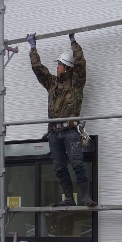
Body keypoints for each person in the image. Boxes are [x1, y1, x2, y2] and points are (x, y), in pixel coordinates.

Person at [27, 32, 97, 207]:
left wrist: (73, 42)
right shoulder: (52, 83)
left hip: (71, 131)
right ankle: (68, 198)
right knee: (59, 168)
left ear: (67, 67)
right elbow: (38, 68)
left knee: (77, 164)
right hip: (54, 133)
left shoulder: (76, 83)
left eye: (59, 65)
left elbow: (80, 62)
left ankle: (85, 197)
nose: (57, 67)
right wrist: (33, 48)